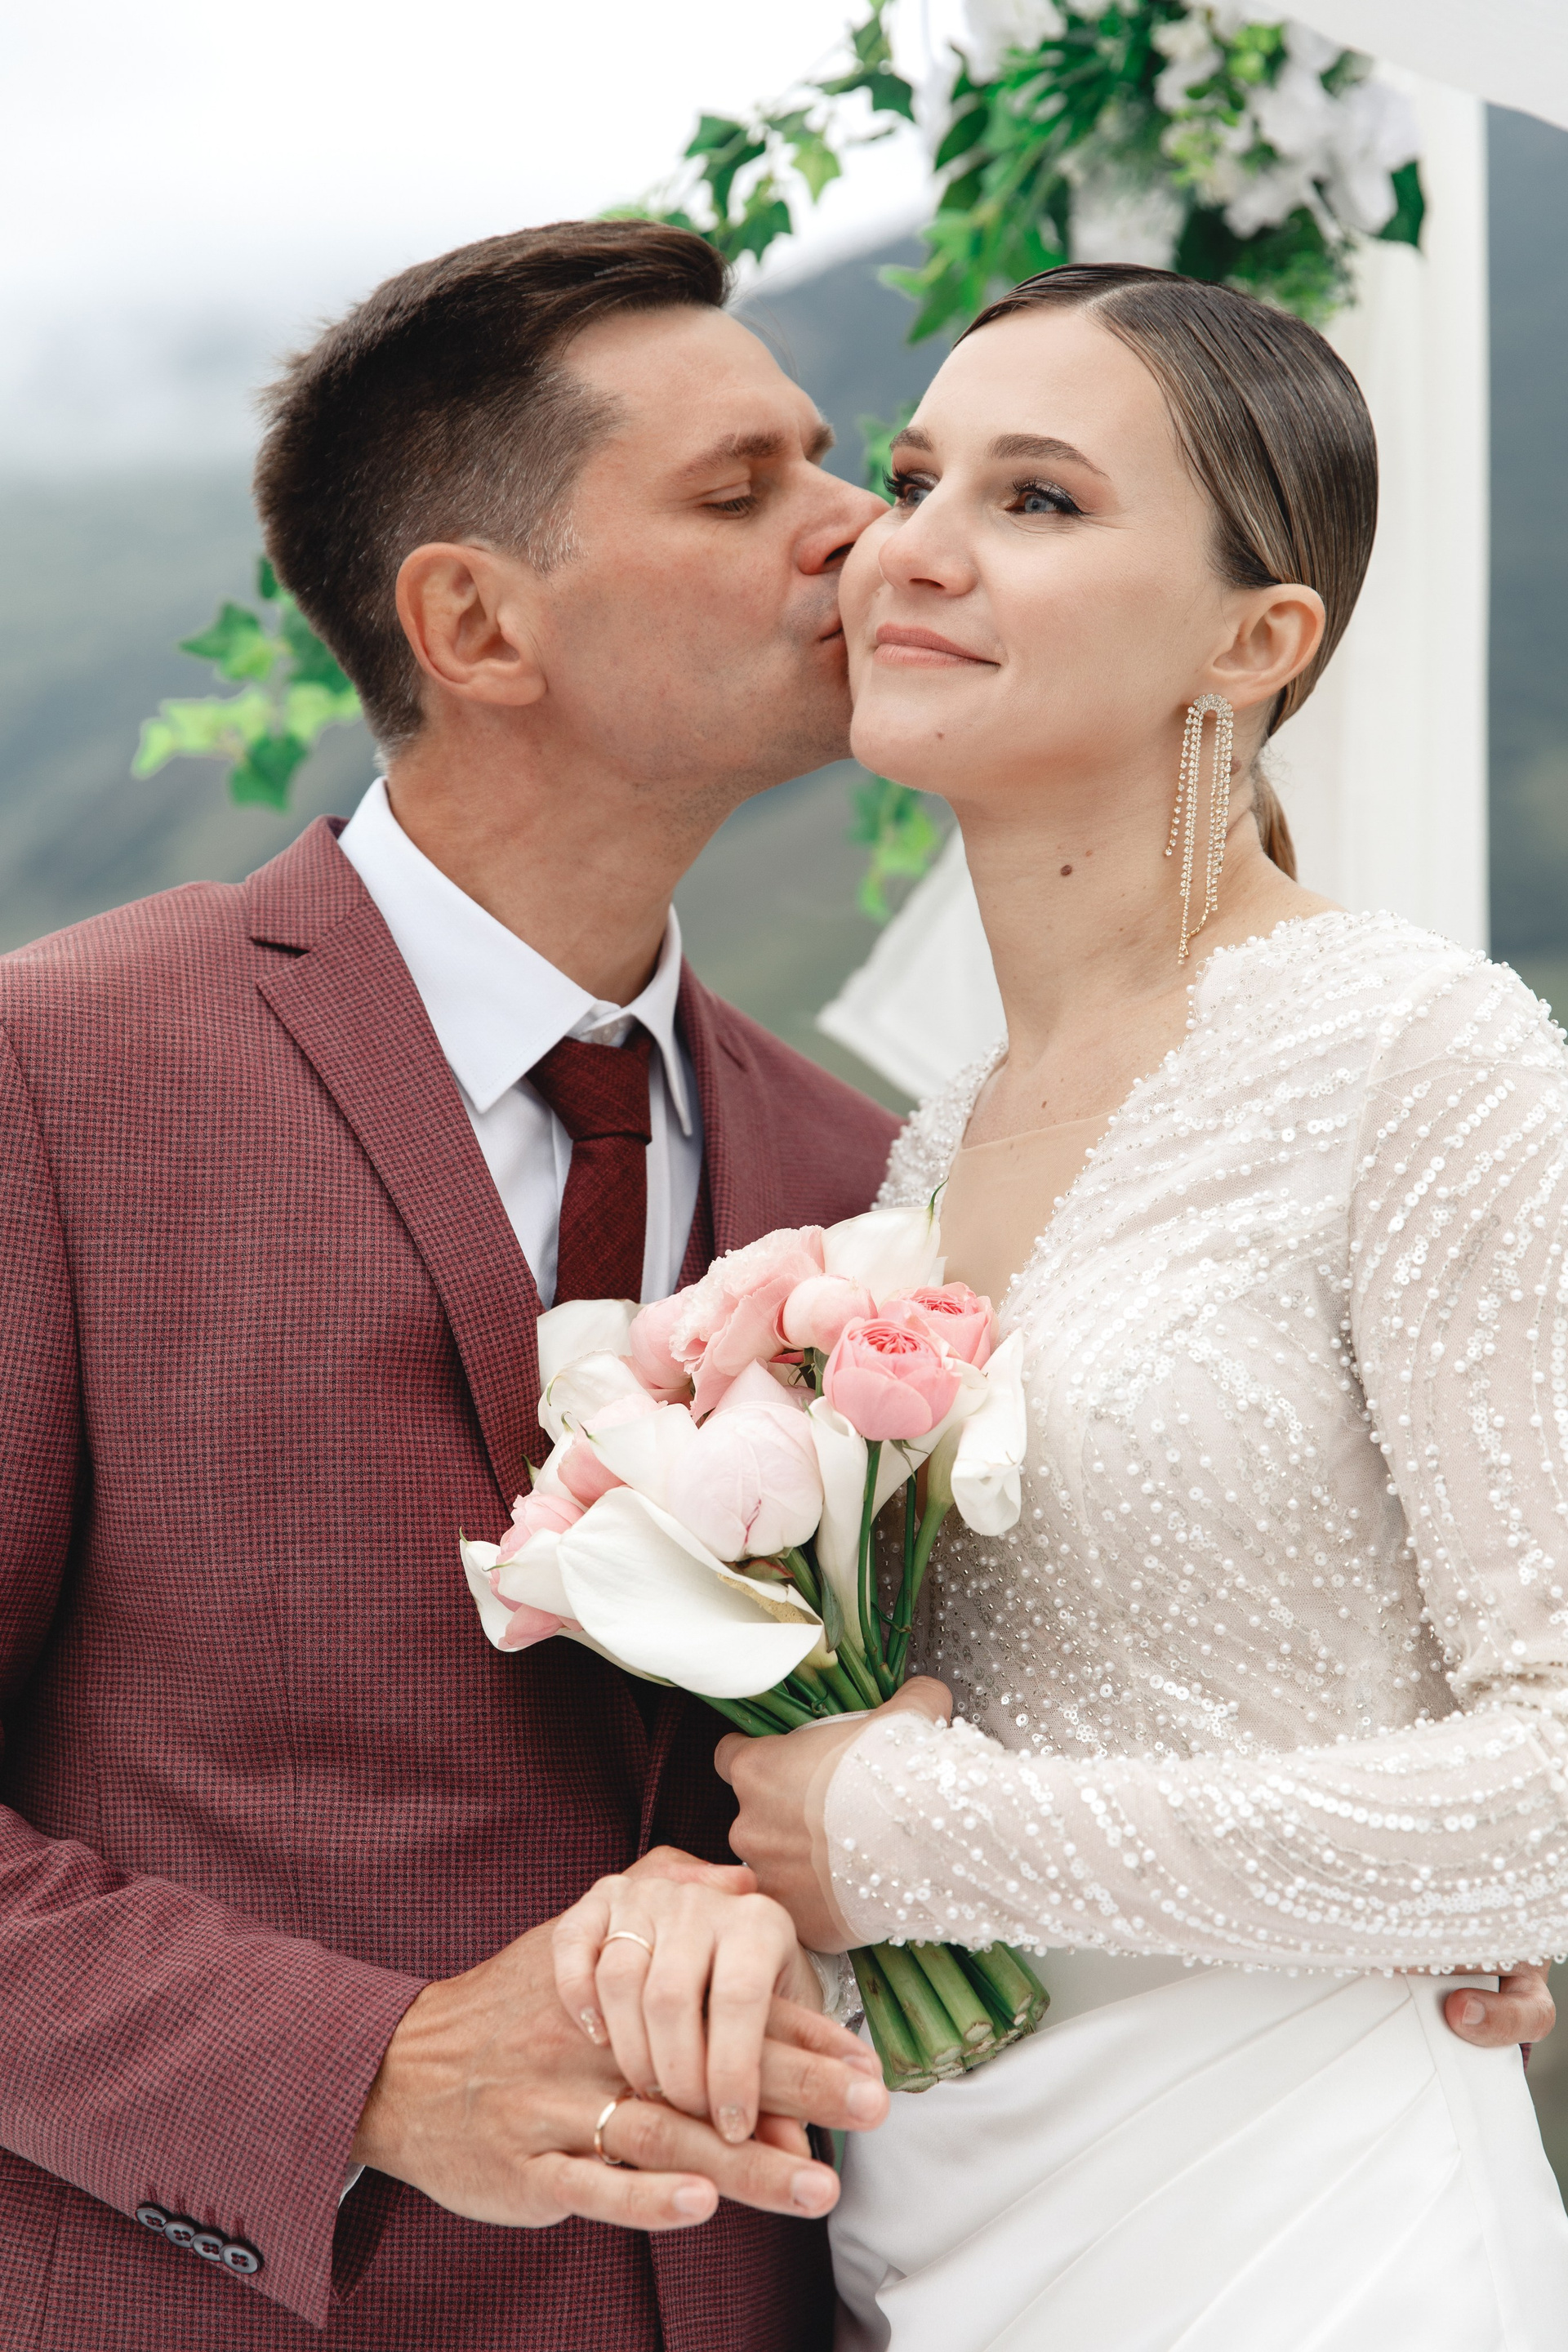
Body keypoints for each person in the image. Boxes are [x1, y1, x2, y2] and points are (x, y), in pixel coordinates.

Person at [575, 261, 1568, 2350]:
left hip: (1299, 2223)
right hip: (937, 2224)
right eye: (919, 474)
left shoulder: (1418, 1059)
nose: (911, 547)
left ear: (1255, 639)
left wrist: (930, 1834)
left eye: (1037, 500)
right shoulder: (925, 1151)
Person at [0, 220, 901, 2352]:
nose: (858, 525)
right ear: (476, 622)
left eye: (827, 456)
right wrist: (376, 2072)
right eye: (740, 491)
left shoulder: (862, 1183)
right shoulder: (57, 1074)